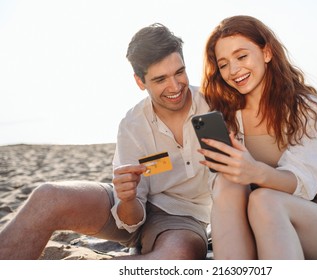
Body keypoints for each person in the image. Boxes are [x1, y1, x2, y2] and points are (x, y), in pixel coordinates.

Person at [0, 23, 211, 260]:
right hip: (127, 209)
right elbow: (130, 219)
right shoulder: (133, 124)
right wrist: (129, 198)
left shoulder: (211, 105)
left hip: (183, 218)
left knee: (175, 256)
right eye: (160, 79)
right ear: (140, 82)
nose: (174, 87)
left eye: (179, 72)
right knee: (47, 197)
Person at [198, 15, 317, 260]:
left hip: (315, 218)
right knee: (226, 183)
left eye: (242, 56)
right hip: (251, 225)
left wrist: (255, 171)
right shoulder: (225, 115)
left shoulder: (307, 108)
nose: (233, 70)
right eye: (223, 64)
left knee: (264, 200)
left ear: (266, 52)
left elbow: (305, 182)